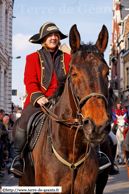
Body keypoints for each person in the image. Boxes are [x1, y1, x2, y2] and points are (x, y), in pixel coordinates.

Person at [11, 22, 71, 178]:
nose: (53, 38)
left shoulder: (68, 58)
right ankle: (17, 157)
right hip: (41, 99)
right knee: (24, 119)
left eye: (56, 35)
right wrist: (39, 97)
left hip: (63, 100)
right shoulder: (32, 58)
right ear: (44, 39)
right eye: (50, 35)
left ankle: (97, 154)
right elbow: (30, 81)